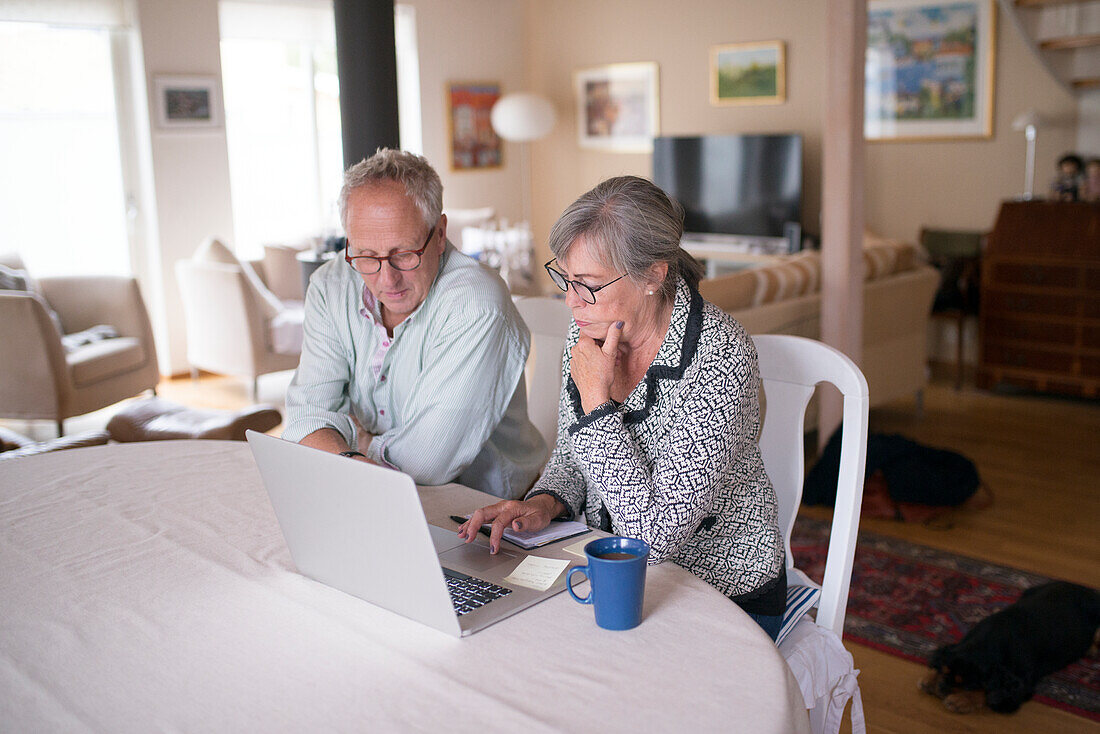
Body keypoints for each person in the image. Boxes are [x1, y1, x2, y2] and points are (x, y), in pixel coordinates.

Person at [459, 176, 787, 640]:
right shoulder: (591, 328)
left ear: (653, 274)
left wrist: (597, 406)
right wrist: (543, 503)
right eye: (566, 280)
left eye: (588, 284)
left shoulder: (720, 354)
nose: (571, 302)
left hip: (718, 595)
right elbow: (573, 459)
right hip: (605, 571)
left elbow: (653, 540)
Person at [283, 149, 547, 499]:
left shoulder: (477, 304)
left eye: (404, 254)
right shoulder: (330, 285)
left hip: (486, 509)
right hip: (371, 496)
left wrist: (349, 441)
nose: (386, 279)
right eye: (365, 256)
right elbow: (303, 422)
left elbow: (425, 464)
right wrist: (352, 452)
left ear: (439, 234)